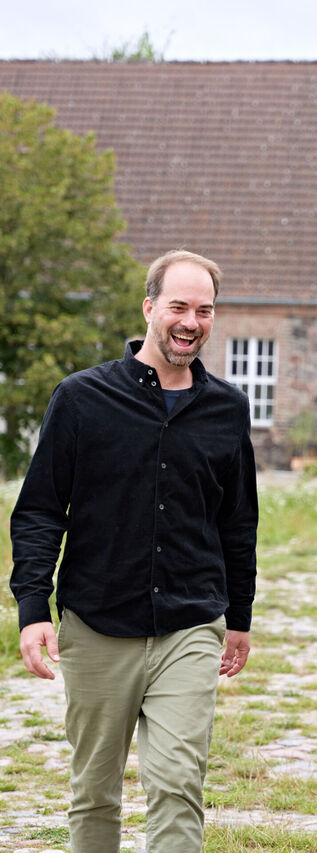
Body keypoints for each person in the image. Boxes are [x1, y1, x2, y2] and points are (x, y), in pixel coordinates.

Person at [10, 249, 258, 853]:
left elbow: (238, 522)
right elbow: (41, 510)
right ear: (149, 308)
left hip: (190, 625)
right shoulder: (80, 399)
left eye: (204, 310)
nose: (191, 321)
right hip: (97, 624)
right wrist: (33, 608)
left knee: (178, 785)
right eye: (178, 306)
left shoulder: (227, 408)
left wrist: (240, 620)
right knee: (95, 791)